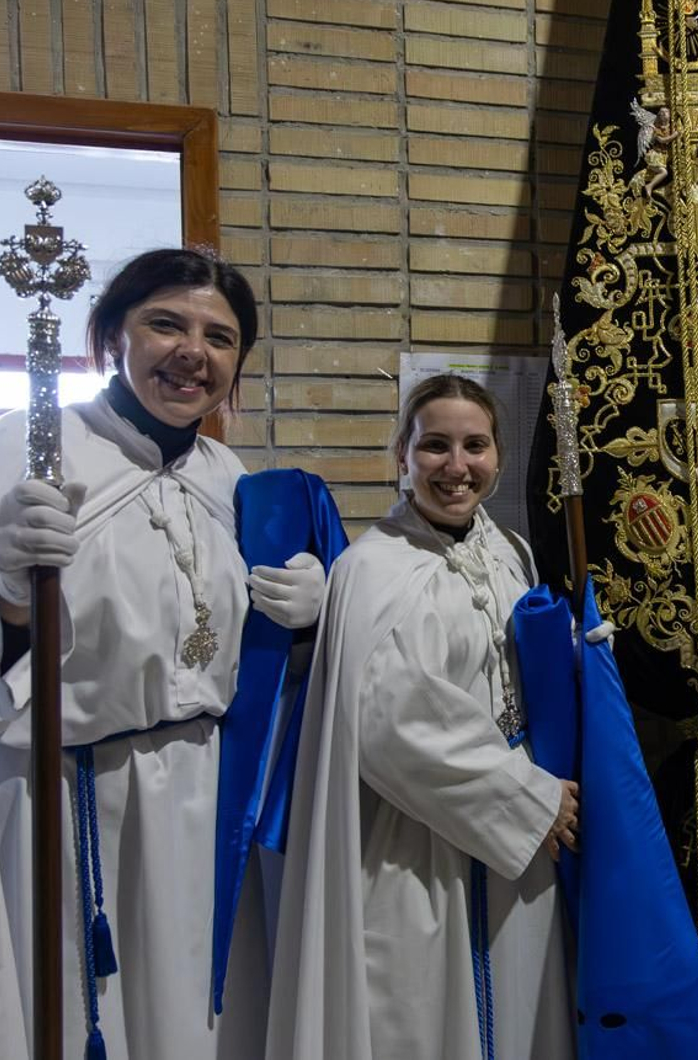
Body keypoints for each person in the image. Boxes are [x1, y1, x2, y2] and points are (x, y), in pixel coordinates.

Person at [0, 248, 327, 1058]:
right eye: (165, 324)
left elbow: (245, 663)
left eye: (220, 336)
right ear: (112, 335)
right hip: (71, 802)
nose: (193, 352)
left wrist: (312, 621)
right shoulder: (19, 450)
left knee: (201, 1022)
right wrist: (6, 594)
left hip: (206, 798)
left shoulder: (227, 477)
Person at [267, 374, 578, 1060]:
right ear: (401, 455)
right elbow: (392, 720)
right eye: (435, 445)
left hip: (513, 841)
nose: (456, 466)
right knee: (422, 1018)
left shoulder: (509, 551)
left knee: (521, 1015)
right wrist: (529, 798)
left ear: (499, 453)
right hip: (417, 842)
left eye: (475, 445)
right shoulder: (373, 567)